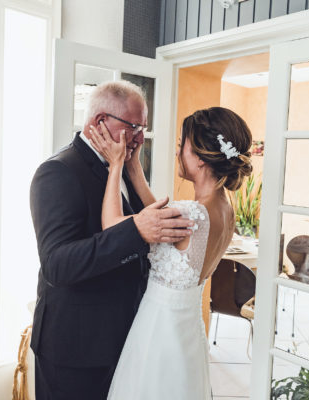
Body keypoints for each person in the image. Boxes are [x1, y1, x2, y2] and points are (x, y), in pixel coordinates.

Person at [29, 80, 196, 400]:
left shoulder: (127, 166)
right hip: (75, 349)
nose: (140, 138)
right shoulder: (57, 172)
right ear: (99, 122)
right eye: (133, 126)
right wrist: (136, 231)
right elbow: (57, 265)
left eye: (143, 128)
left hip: (125, 338)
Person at [87, 106, 253, 399]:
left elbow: (112, 226)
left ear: (200, 159)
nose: (177, 151)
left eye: (182, 145)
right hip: (186, 327)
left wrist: (115, 166)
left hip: (159, 331)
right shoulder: (223, 209)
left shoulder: (193, 213)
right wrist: (134, 168)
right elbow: (166, 220)